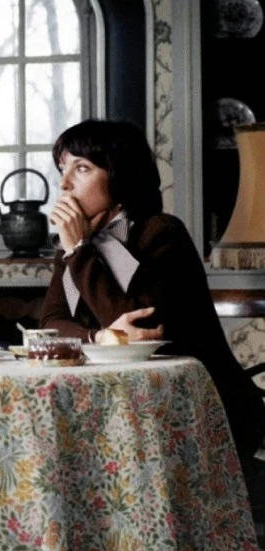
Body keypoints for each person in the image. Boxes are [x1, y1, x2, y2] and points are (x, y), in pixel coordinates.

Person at [39, 118, 265, 463]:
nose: (64, 183)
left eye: (81, 168)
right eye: (62, 168)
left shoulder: (162, 232)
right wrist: (99, 337)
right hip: (126, 406)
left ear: (118, 175)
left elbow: (140, 332)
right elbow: (50, 324)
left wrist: (79, 252)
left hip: (203, 409)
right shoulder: (72, 244)